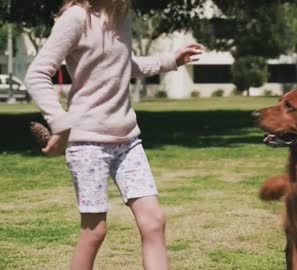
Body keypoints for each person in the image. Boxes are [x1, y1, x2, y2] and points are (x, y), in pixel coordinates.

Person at [25, 0, 202, 269]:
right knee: (94, 232)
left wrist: (170, 61)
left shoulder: (121, 15)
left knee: (154, 221)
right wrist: (60, 123)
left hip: (128, 140)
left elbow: (121, 64)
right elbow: (37, 74)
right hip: (87, 144)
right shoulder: (75, 18)